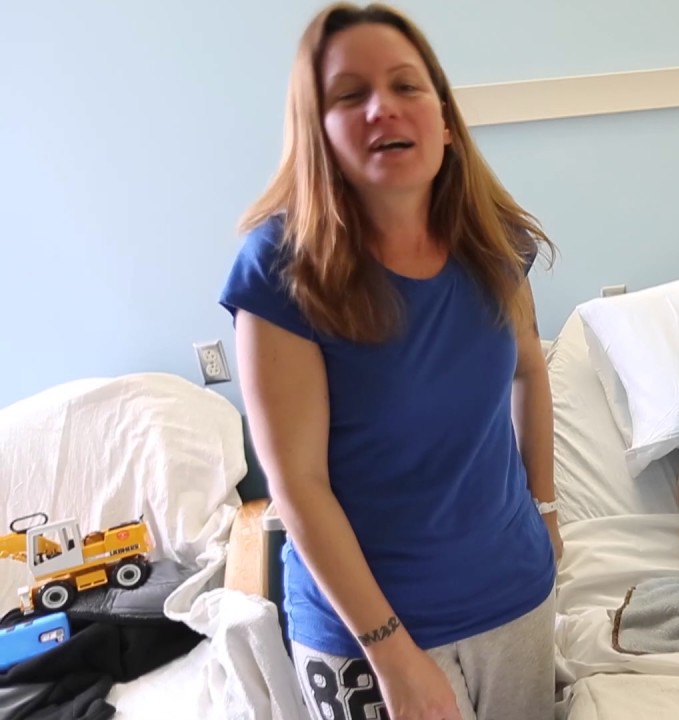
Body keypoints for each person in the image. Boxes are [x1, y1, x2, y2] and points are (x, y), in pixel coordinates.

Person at [217, 4, 560, 719]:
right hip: (367, 634)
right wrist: (392, 654)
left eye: (406, 85)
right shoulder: (281, 272)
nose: (384, 109)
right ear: (319, 126)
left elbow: (530, 368)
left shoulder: (492, 243)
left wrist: (547, 506)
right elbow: (299, 487)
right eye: (350, 95)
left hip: (514, 600)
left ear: (441, 109)